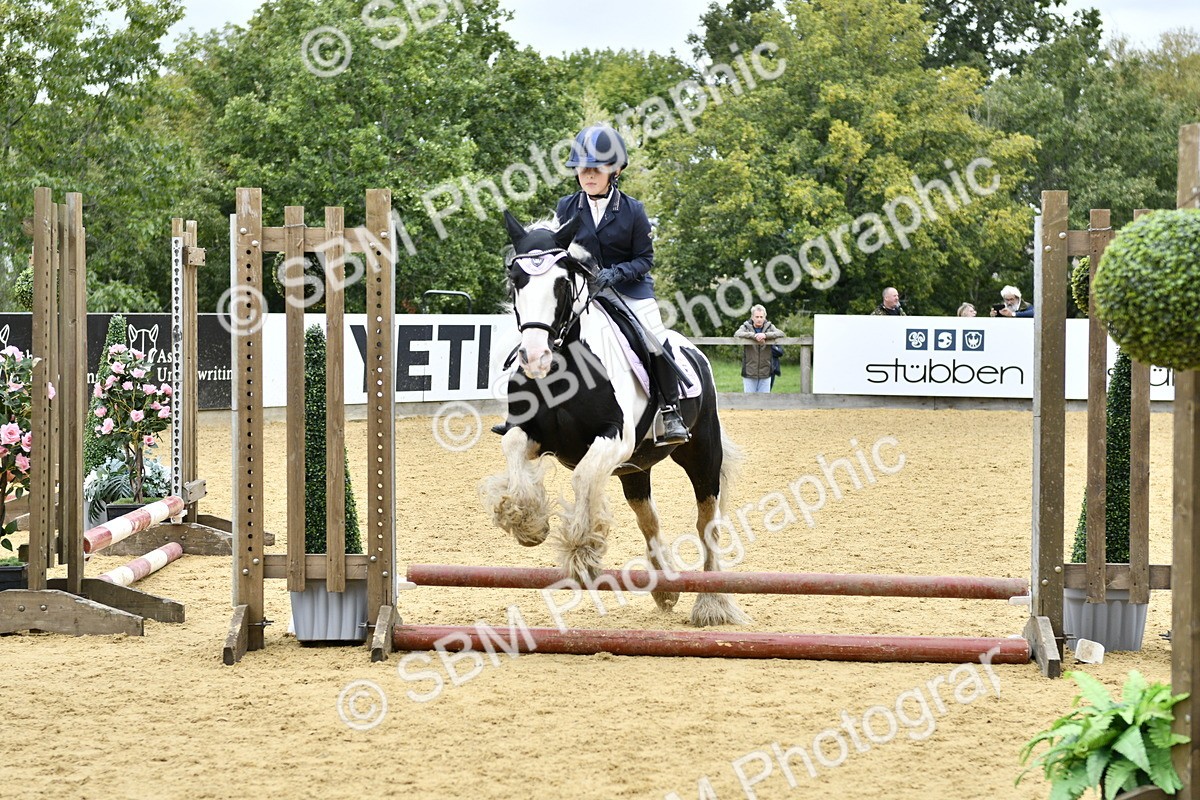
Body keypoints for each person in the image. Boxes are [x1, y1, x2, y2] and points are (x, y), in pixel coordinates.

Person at [735, 305, 782, 393]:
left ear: (765, 317)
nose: (759, 319)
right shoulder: (746, 326)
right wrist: (753, 336)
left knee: (764, 400)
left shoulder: (770, 326)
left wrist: (765, 335)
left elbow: (780, 333)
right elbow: (737, 334)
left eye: (761, 317)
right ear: (752, 317)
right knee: (749, 399)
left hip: (766, 372)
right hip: (749, 372)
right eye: (757, 317)